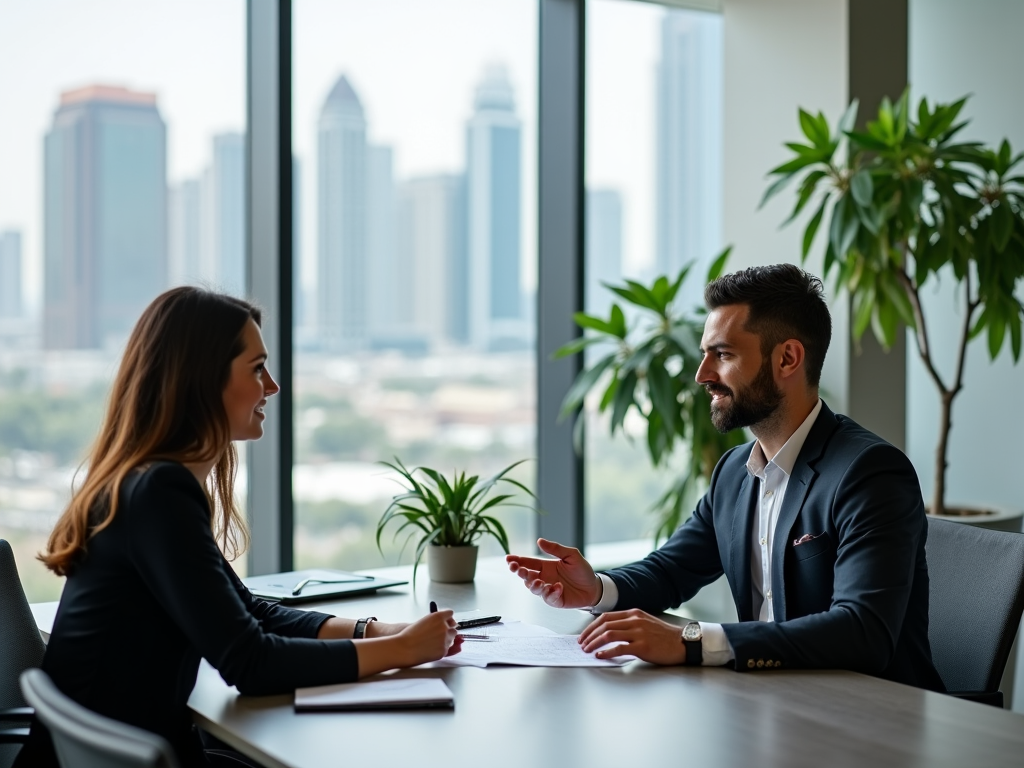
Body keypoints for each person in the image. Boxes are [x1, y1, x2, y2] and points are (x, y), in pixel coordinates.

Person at [15, 287, 461, 768]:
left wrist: (377, 631)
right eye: (256, 368)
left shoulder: (146, 482)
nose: (272, 386)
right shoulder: (159, 493)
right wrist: (403, 650)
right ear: (203, 382)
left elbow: (249, 614)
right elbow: (251, 663)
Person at [507, 264, 944, 691]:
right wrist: (598, 589)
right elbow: (673, 570)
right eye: (705, 354)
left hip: (873, 720)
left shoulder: (869, 473)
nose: (702, 375)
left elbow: (862, 631)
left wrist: (692, 641)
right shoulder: (735, 472)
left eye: (723, 354)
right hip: (773, 704)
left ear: (788, 358)